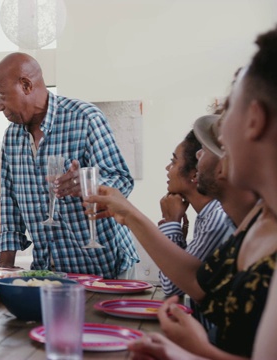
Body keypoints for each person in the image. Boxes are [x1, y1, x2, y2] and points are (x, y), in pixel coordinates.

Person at [86, 56, 277, 356]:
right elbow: (199, 282)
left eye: (225, 121)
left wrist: (195, 352)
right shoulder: (260, 218)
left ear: (255, 120)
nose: (209, 148)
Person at [0, 52, 138, 278]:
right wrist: (4, 268)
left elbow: (122, 181)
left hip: (104, 267)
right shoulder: (11, 137)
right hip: (47, 271)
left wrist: (89, 184)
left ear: (26, 85)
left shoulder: (84, 118)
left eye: (1, 96)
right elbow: (10, 204)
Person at [157, 129, 232, 300]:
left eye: (173, 162)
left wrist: (171, 224)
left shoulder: (215, 218)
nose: (168, 168)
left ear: (194, 173)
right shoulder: (206, 215)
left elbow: (171, 287)